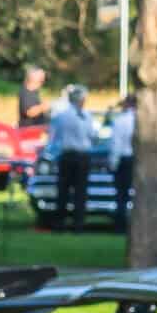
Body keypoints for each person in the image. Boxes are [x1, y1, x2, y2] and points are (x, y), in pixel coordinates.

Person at [48, 84, 96, 232]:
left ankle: (61, 223)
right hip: (79, 156)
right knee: (79, 192)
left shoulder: (61, 116)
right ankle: (77, 224)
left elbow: (54, 138)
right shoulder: (85, 116)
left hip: (68, 156)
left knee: (64, 190)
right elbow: (92, 136)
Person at [108, 92, 137, 226]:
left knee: (121, 194)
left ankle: (120, 223)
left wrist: (113, 163)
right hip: (137, 160)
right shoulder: (141, 120)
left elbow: (116, 144)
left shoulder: (120, 121)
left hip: (124, 160)